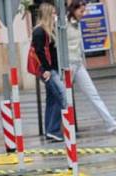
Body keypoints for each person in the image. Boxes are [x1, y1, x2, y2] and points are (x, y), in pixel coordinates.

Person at [66, 0, 116, 133]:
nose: (83, 14)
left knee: (93, 94)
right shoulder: (64, 24)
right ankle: (60, 128)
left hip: (78, 64)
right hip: (68, 65)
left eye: (84, 11)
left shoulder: (77, 24)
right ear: (73, 10)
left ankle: (111, 123)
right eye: (81, 11)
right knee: (63, 97)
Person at [32, 2, 65, 142]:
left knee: (51, 100)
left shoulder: (49, 30)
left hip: (52, 69)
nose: (55, 15)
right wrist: (46, 69)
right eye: (52, 13)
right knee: (61, 97)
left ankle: (50, 130)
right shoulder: (39, 31)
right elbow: (39, 52)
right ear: (46, 14)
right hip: (48, 70)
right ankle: (54, 129)